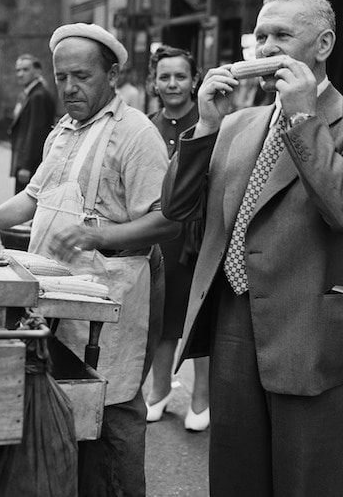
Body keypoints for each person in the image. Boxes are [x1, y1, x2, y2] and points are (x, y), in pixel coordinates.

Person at [161, 0, 343, 496]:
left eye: (282, 36)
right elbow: (177, 209)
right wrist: (204, 125)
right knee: (235, 479)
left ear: (323, 44)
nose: (265, 48)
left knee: (306, 482)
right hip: (231, 323)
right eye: (260, 36)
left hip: (309, 332)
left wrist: (302, 116)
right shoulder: (236, 124)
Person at [0, 22, 178, 497]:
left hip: (114, 291)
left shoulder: (136, 134)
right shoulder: (63, 132)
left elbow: (166, 220)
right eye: (62, 76)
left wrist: (97, 235)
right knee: (70, 406)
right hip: (59, 291)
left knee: (114, 411)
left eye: (82, 76)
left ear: (111, 75)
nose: (69, 87)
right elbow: (30, 199)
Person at [145, 45, 210, 431]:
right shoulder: (146, 124)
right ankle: (159, 390)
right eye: (165, 76)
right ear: (155, 81)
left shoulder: (210, 120)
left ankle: (201, 398)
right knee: (162, 316)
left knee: (198, 317)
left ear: (194, 80)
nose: (172, 83)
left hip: (201, 233)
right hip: (160, 234)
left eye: (180, 76)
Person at [9, 54, 57, 194]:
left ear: (37, 71)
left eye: (25, 70)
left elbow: (36, 132)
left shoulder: (38, 96)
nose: (20, 74)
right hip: (25, 160)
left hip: (30, 164)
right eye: (18, 70)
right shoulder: (30, 93)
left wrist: (26, 165)